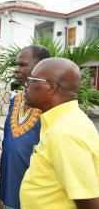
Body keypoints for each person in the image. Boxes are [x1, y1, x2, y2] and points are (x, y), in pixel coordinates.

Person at [20, 58, 99, 209]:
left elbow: (88, 201)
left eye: (32, 80)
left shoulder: (67, 133)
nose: (26, 84)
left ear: (51, 88)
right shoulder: (58, 122)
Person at [0, 45, 51, 209]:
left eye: (22, 65)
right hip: (7, 187)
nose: (16, 70)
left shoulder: (50, 104)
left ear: (41, 66)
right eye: (16, 65)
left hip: (34, 197)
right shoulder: (16, 99)